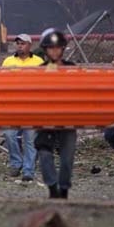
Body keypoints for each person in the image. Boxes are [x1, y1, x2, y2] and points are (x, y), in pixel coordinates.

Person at [34, 31, 77, 199]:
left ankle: (64, 189)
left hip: (68, 119)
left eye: (57, 48)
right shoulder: (40, 70)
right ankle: (52, 188)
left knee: (67, 158)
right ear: (45, 50)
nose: (54, 51)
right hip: (46, 120)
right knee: (44, 154)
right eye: (51, 48)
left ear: (63, 49)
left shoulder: (72, 68)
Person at [1, 33, 44, 181]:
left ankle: (28, 170)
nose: (20, 46)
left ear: (29, 45)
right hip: (13, 106)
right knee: (9, 134)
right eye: (18, 43)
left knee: (30, 139)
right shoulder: (8, 62)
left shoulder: (39, 62)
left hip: (32, 107)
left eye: (23, 43)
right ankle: (16, 163)